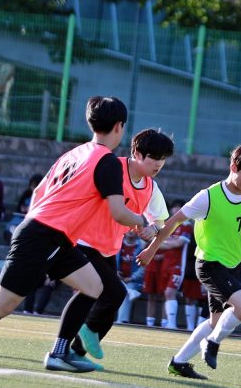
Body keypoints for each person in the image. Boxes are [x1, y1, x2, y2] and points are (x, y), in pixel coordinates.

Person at [0, 96, 151, 374]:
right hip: (43, 235)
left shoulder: (75, 153)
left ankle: (59, 353)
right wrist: (141, 222)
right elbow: (118, 211)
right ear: (119, 126)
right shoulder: (108, 161)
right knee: (2, 306)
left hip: (51, 235)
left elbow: (39, 191)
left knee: (94, 286)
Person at [139, 141, 241, 380]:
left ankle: (179, 361)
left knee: (216, 320)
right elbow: (172, 222)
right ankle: (213, 343)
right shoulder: (208, 197)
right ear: (233, 166)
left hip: (232, 265)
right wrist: (152, 250)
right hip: (209, 264)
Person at [71, 128, 173, 366]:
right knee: (114, 294)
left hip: (108, 248)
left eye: (163, 159)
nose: (159, 164)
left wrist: (153, 230)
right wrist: (139, 222)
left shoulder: (150, 187)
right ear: (137, 153)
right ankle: (67, 346)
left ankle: (76, 353)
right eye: (154, 158)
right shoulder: (112, 168)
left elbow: (160, 222)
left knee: (108, 309)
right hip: (84, 242)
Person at [143, 199, 190, 329]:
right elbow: (158, 241)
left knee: (169, 293)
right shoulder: (168, 225)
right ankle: (164, 324)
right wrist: (163, 243)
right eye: (174, 207)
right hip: (164, 265)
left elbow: (178, 243)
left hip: (178, 265)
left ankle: (171, 325)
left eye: (179, 207)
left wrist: (161, 244)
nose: (176, 209)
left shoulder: (186, 226)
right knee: (162, 294)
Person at [115, 231, 146, 324]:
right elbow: (110, 258)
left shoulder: (142, 246)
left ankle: (122, 320)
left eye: (133, 229)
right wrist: (115, 272)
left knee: (125, 291)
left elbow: (144, 267)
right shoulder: (118, 243)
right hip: (117, 278)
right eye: (129, 228)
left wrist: (132, 277)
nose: (130, 231)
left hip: (135, 281)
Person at [5, 173, 43, 240]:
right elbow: (19, 207)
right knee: (12, 226)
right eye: (32, 186)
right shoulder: (27, 193)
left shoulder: (43, 196)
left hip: (32, 220)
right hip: (21, 217)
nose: (33, 188)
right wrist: (23, 208)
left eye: (35, 186)